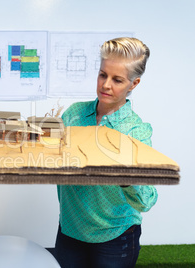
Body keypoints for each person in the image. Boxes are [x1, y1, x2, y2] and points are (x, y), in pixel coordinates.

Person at [54, 37, 158, 268]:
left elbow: (148, 200)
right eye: (103, 75)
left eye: (117, 79)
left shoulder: (136, 131)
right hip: (70, 230)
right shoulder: (73, 115)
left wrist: (124, 175)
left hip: (115, 237)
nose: (106, 85)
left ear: (134, 84)